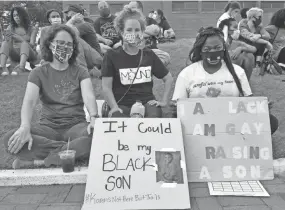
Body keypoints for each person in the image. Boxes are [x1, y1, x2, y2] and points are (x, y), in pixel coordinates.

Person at [3, 24, 99, 169]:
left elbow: (89, 96)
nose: (65, 47)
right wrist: (25, 127)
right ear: (50, 44)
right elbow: (29, 102)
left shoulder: (81, 71)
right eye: (60, 43)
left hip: (76, 126)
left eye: (69, 44)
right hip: (48, 128)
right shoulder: (38, 72)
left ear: (74, 48)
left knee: (96, 137)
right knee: (9, 138)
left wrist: (93, 118)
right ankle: (69, 151)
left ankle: (40, 161)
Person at [171, 27, 278, 134]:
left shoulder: (238, 71)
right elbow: (179, 108)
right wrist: (176, 109)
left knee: (271, 121)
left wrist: (261, 108)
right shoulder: (187, 73)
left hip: (231, 123)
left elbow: (247, 102)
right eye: (207, 49)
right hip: (199, 125)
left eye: (217, 47)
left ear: (224, 48)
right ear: (200, 50)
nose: (213, 52)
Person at [101, 7, 173, 118]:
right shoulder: (111, 56)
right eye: (129, 30)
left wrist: (163, 101)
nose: (133, 33)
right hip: (121, 104)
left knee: (154, 119)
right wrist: (114, 107)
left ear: (142, 32)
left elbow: (168, 78)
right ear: (121, 31)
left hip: (147, 103)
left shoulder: (149, 55)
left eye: (137, 30)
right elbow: (106, 87)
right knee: (120, 120)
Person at [39, 10, 102, 75]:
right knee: (75, 43)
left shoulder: (74, 27)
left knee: (76, 42)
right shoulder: (45, 30)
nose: (56, 18)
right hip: (57, 55)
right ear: (49, 19)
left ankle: (90, 67)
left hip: (77, 54)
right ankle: (86, 69)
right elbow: (43, 48)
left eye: (58, 16)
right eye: (53, 17)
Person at [128, 1, 171, 66]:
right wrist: (147, 31)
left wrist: (136, 32)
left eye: (132, 8)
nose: (130, 10)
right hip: (134, 51)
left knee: (165, 56)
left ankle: (146, 68)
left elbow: (155, 30)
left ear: (140, 9)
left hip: (151, 50)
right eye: (129, 8)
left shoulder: (149, 20)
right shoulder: (127, 22)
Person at [0, 6, 39, 76]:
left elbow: (32, 45)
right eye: (14, 16)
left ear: (23, 15)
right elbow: (8, 44)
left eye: (18, 15)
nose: (16, 17)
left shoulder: (32, 28)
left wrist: (19, 38)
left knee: (24, 44)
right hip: (15, 54)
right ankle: (3, 67)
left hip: (30, 54)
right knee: (5, 43)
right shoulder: (11, 27)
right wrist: (7, 38)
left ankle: (21, 67)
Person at [239, 7, 272, 72]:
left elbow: (268, 36)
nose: (261, 19)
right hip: (245, 51)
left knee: (261, 41)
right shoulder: (243, 26)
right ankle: (256, 64)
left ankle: (258, 64)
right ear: (252, 17)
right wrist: (266, 42)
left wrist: (260, 35)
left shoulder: (259, 26)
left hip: (255, 50)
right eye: (259, 17)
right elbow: (252, 38)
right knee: (262, 42)